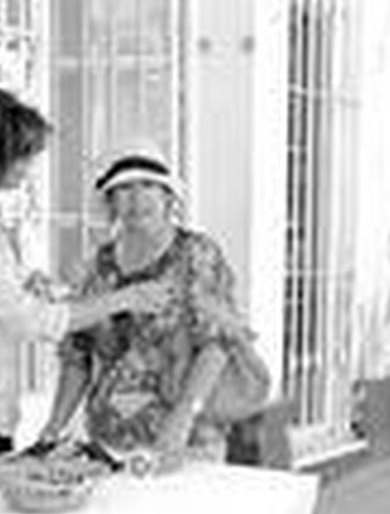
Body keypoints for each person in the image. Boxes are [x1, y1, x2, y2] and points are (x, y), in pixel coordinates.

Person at [0, 89, 171, 473]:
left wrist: (30, 285)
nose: (27, 167)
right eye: (22, 155)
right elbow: (37, 324)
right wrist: (123, 298)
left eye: (147, 186)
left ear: (168, 193)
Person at [33, 142, 265, 469]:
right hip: (107, 443)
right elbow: (78, 356)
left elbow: (217, 343)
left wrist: (183, 417)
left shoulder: (196, 255)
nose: (136, 197)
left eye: (148, 186)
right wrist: (53, 428)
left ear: (169, 197)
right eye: (123, 188)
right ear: (111, 201)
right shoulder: (97, 267)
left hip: (184, 443)